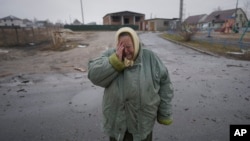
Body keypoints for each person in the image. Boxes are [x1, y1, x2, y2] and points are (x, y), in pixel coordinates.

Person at [88, 27, 174, 141]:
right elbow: (93, 75)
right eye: (121, 47)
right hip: (117, 124)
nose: (125, 51)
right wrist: (115, 62)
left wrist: (164, 112)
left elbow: (165, 85)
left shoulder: (150, 58)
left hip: (143, 124)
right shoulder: (110, 55)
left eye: (128, 47)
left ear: (136, 43)